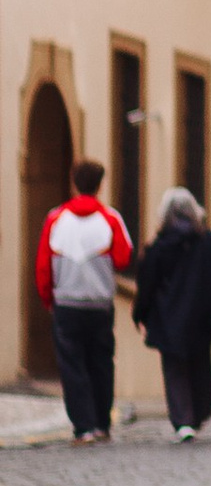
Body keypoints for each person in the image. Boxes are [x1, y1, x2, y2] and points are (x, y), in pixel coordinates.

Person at [131, 186, 211, 440]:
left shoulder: (158, 247)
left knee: (174, 369)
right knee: (200, 363)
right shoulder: (208, 241)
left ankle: (183, 421)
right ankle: (199, 412)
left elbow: (147, 285)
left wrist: (140, 314)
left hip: (168, 317)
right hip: (201, 315)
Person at [37, 156, 131, 442]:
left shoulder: (56, 219)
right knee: (101, 362)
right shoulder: (110, 218)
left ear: (74, 183)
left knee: (72, 365)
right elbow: (124, 257)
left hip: (67, 303)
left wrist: (48, 299)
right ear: (100, 185)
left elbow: (43, 266)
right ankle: (103, 423)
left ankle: (83, 427)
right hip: (100, 304)